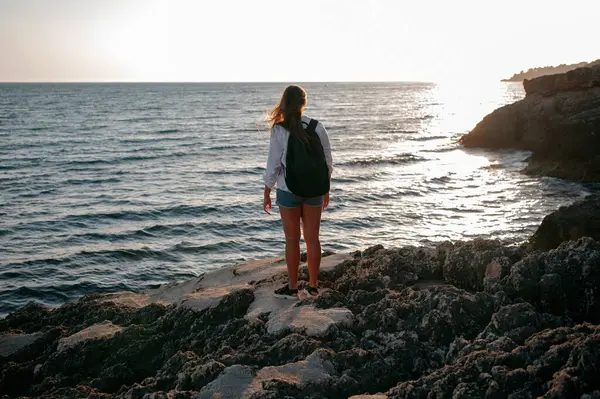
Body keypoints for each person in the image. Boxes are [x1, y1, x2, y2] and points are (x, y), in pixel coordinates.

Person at [263, 85, 333, 299]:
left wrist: (267, 190)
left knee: (292, 240)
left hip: (287, 190)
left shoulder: (279, 129)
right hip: (314, 191)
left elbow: (273, 164)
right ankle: (313, 287)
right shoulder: (317, 127)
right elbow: (327, 162)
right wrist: (325, 188)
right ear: (303, 103)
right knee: (313, 239)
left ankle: (293, 287)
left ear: (284, 103)